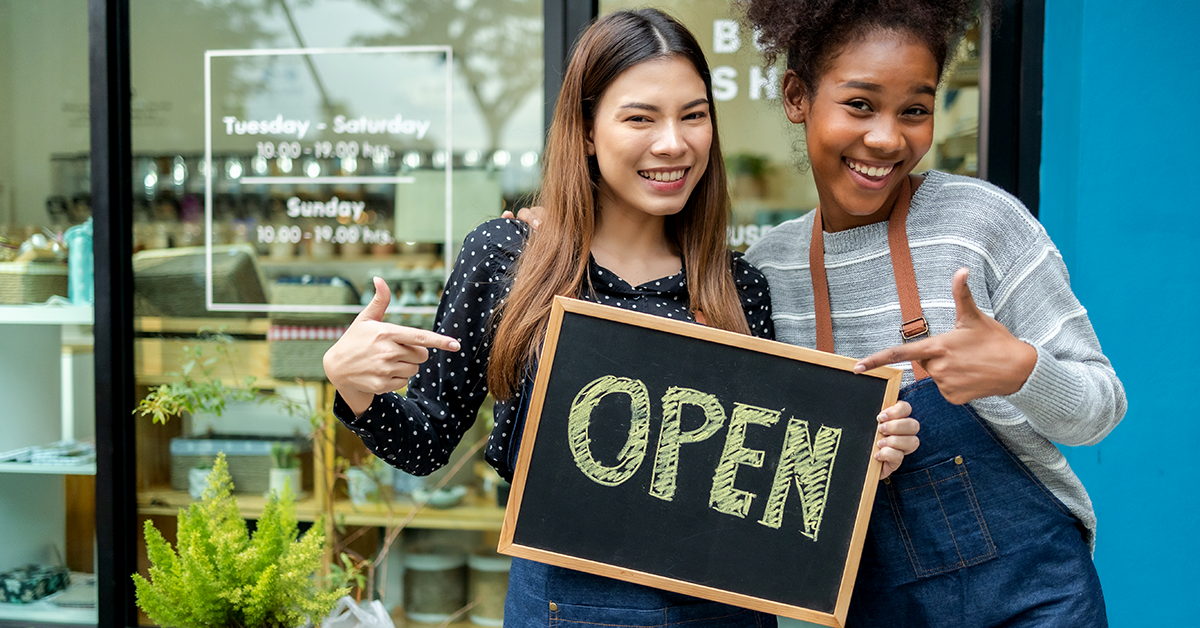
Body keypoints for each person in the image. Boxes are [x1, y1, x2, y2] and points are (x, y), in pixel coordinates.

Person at [323, 8, 918, 627]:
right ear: (585, 130)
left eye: (693, 115)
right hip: (563, 601)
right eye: (640, 117)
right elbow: (426, 444)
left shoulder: (739, 285)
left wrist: (858, 456)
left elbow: (765, 482)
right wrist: (354, 386)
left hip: (721, 608)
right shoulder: (506, 257)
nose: (673, 142)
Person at [735, 0, 1127, 625]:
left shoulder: (980, 224)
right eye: (860, 104)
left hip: (1036, 598)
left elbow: (1102, 407)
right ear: (796, 96)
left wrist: (1021, 371)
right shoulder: (767, 273)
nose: (888, 138)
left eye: (914, 111)